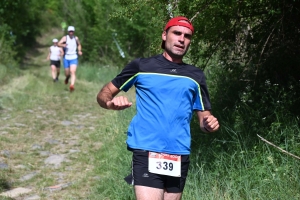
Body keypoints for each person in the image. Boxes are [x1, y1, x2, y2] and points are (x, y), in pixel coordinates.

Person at [96, 16, 220, 200]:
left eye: (187, 36)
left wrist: (209, 124)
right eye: (176, 33)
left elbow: (203, 117)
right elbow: (104, 94)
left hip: (179, 153)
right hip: (147, 150)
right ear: (164, 35)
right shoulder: (141, 66)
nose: (181, 39)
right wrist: (109, 103)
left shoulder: (195, 76)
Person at [58, 26, 82, 92]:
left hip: (74, 57)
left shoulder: (76, 38)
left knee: (73, 71)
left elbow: (79, 45)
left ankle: (72, 85)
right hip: (66, 57)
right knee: (67, 74)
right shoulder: (65, 38)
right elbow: (58, 44)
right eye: (70, 31)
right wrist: (63, 45)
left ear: (74, 32)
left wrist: (79, 51)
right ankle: (67, 78)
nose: (71, 32)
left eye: (72, 31)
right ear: (68, 32)